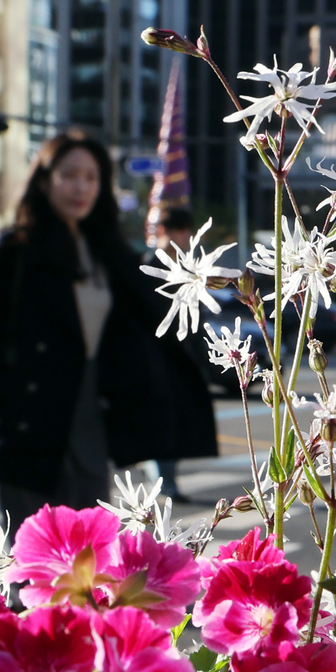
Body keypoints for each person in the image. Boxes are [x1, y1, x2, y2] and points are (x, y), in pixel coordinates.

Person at [0, 131, 217, 530]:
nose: (81, 187)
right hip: (31, 426)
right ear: (44, 181)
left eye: (92, 177)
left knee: (89, 570)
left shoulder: (106, 252)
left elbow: (143, 324)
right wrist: (6, 393)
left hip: (90, 424)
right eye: (70, 174)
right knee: (36, 572)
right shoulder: (18, 250)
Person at [140, 206, 215, 503]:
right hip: (151, 358)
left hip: (179, 358)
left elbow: (196, 315)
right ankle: (163, 481)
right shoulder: (147, 267)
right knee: (160, 423)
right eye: (177, 231)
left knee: (175, 423)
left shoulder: (188, 269)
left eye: (185, 231)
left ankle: (164, 478)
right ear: (163, 232)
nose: (182, 238)